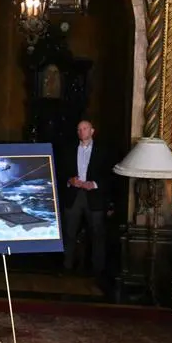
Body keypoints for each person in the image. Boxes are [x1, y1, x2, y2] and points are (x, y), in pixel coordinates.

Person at [59, 119, 112, 279]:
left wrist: (94, 184)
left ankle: (97, 270)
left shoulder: (102, 151)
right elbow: (60, 171)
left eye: (85, 128)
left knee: (97, 233)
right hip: (74, 195)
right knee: (69, 232)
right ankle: (67, 266)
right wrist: (70, 180)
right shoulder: (69, 150)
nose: (81, 132)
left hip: (94, 196)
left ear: (92, 131)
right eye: (79, 129)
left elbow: (109, 174)